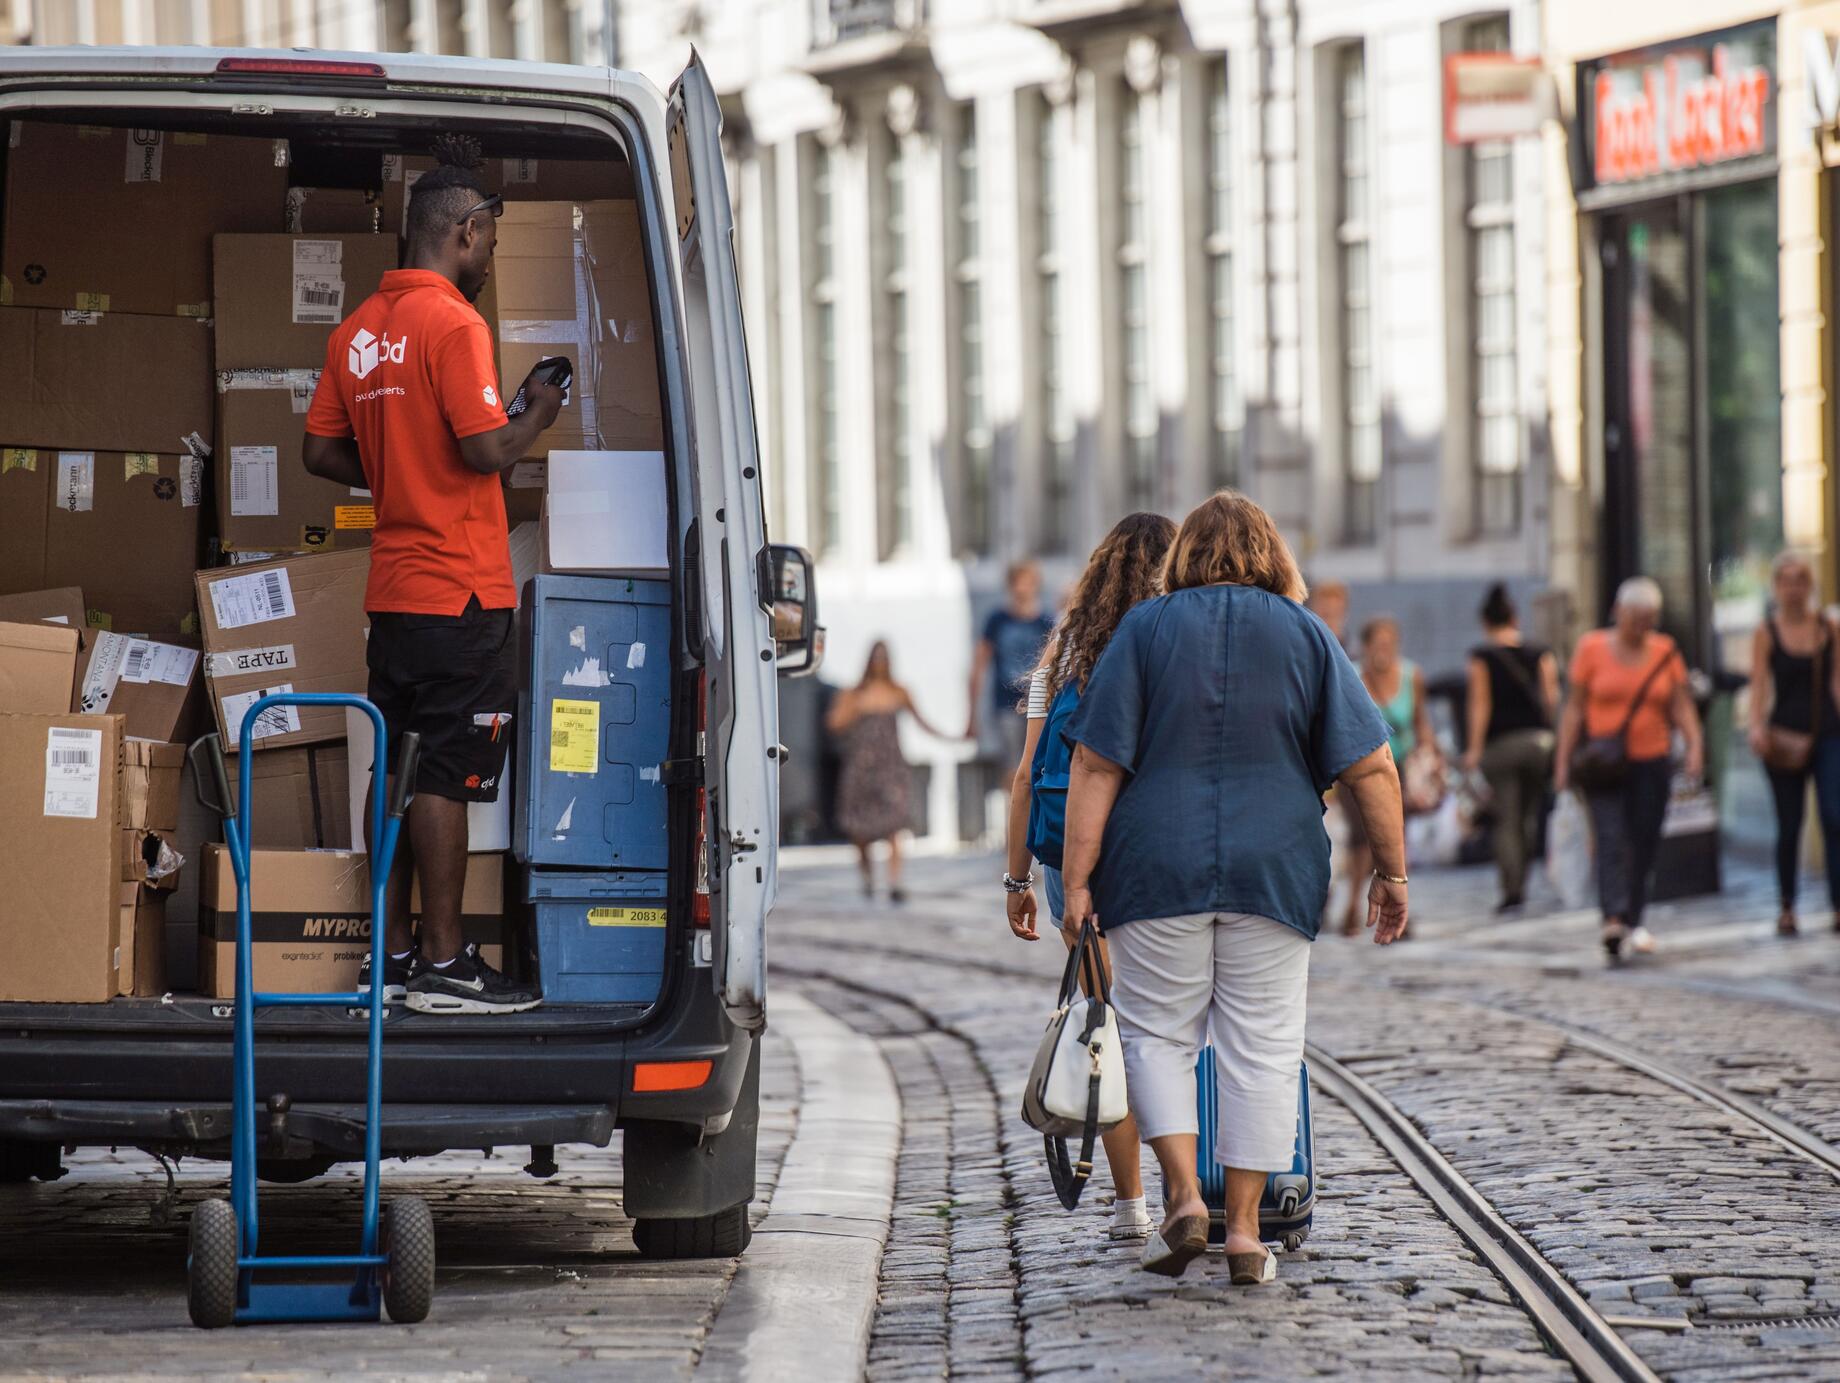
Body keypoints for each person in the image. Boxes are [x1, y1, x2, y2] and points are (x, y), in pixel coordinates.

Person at [1058, 492, 1409, 1283]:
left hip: (1156, 867)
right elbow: (1374, 764)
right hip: (1274, 870)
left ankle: (1183, 1196)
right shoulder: (1307, 633)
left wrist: (1076, 880)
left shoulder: (1144, 630)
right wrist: (1391, 872)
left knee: (1156, 1034)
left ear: (1184, 557)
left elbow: (1095, 762)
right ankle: (1246, 1233)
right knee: (1264, 1047)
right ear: (1272, 554)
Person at [304, 136, 562, 1014]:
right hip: (460, 590)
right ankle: (449, 963)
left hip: (395, 599)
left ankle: (397, 949)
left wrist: (395, 467)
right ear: (461, 231)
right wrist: (538, 412)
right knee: (447, 774)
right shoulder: (453, 324)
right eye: (487, 240)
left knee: (401, 770)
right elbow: (485, 446)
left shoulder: (357, 331)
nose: (487, 257)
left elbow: (318, 450)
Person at [1003, 513, 1176, 1244]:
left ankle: (1130, 1206)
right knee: (1171, 1029)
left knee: (1110, 1025)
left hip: (1068, 863)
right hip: (1150, 857)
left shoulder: (1063, 658)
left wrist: (1015, 881)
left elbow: (1023, 777)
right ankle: (1188, 1194)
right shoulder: (1171, 651)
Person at [1554, 577, 1704, 961]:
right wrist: (1562, 762)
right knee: (1609, 837)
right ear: (1619, 613)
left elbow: (1681, 705)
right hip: (1604, 764)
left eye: (1650, 619)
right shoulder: (1591, 648)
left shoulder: (1665, 651)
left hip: (1652, 761)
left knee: (1645, 839)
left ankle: (1635, 917)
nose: (1643, 626)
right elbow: (1573, 709)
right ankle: (1613, 919)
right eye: (1637, 618)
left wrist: (1694, 747)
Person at [1745, 552, 1840, 936]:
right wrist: (1755, 726)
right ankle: (1787, 905)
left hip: (1829, 733)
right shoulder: (1765, 632)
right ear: (1777, 588)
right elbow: (1759, 686)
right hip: (1783, 736)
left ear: (1810, 585)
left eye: (1800, 580)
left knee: (1835, 816)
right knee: (1790, 823)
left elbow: (1837, 680)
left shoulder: (1829, 627)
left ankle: (1837, 905)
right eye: (1786, 581)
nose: (1794, 589)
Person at [828, 641, 954, 903]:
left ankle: (895, 881)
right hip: (861, 767)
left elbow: (922, 720)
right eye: (876, 657)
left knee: (895, 824)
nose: (880, 663)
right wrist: (857, 707)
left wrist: (951, 737)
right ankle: (868, 877)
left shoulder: (899, 691)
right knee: (860, 830)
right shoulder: (853, 693)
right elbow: (834, 724)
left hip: (891, 767)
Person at [1462, 584, 1559, 911]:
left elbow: (1480, 705)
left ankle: (1511, 887)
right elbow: (1551, 700)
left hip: (1501, 747)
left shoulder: (1482, 657)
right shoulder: (1540, 652)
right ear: (1515, 618)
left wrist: (1474, 749)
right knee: (1529, 815)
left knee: (1507, 817)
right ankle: (1524, 878)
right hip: (1539, 743)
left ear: (1485, 623)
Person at [1338, 617, 1437, 936]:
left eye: (1389, 645)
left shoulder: (1411, 676)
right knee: (1361, 840)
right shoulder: (1350, 675)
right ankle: (1354, 903)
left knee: (1395, 839)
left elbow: (1421, 720)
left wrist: (1430, 751)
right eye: (1377, 645)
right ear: (1365, 647)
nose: (1383, 651)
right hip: (1356, 769)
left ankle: (1392, 909)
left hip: (1399, 769)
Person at [970, 561, 1055, 779]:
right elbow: (979, 664)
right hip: (1006, 703)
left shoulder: (1045, 622)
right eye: (1017, 583)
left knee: (1038, 762)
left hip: (1037, 702)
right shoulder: (997, 621)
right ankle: (1014, 810)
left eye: (1027, 583)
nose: (1022, 589)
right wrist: (972, 714)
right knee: (1012, 766)